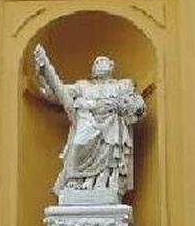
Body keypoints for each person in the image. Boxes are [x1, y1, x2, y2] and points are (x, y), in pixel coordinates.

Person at [32, 46, 146, 200]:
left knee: (110, 151)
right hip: (88, 124)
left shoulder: (122, 85)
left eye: (102, 61)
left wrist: (130, 107)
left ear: (111, 66)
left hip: (112, 125)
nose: (98, 64)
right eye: (96, 62)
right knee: (79, 144)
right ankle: (77, 180)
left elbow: (137, 106)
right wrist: (44, 73)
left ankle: (104, 183)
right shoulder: (83, 86)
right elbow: (59, 93)